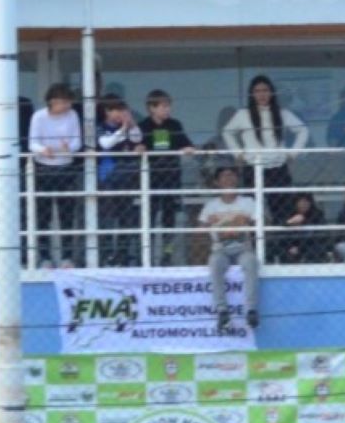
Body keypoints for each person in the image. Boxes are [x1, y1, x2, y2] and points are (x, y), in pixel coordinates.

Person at [223, 75, 308, 225]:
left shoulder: (282, 113)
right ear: (252, 94)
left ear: (271, 93)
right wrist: (238, 153)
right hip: (253, 167)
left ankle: (282, 246)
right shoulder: (243, 114)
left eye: (265, 90)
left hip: (278, 168)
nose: (262, 94)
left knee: (282, 211)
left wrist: (293, 153)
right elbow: (227, 132)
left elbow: (303, 130)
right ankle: (257, 246)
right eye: (257, 91)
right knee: (253, 211)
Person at [198, 167, 261, 330]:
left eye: (232, 176)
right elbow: (200, 228)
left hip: (243, 247)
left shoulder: (248, 202)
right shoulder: (211, 205)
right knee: (215, 264)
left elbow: (260, 221)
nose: (229, 179)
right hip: (220, 248)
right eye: (225, 176)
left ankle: (251, 310)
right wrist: (211, 224)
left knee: (251, 262)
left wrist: (244, 220)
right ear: (217, 182)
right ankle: (222, 311)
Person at [28, 83, 83, 267]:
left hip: (66, 168)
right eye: (64, 102)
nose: (67, 106)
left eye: (69, 102)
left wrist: (70, 149)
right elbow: (32, 143)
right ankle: (45, 257)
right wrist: (43, 150)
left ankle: (66, 256)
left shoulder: (73, 115)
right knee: (43, 215)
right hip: (44, 168)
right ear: (52, 101)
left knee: (66, 215)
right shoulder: (39, 116)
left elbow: (77, 141)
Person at [139, 89, 195, 266]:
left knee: (169, 220)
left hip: (171, 178)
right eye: (163, 106)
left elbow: (187, 144)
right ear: (151, 108)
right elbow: (136, 147)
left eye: (168, 105)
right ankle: (146, 256)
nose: (167, 109)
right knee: (149, 218)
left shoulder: (174, 125)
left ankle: (166, 253)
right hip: (151, 180)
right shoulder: (144, 126)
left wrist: (187, 149)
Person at [95, 95, 145, 266]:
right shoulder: (101, 127)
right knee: (108, 218)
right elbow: (106, 144)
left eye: (122, 110)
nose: (120, 114)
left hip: (127, 179)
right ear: (108, 111)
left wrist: (131, 124)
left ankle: (123, 253)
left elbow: (137, 138)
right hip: (107, 178)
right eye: (116, 110)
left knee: (126, 218)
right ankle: (107, 253)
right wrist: (122, 129)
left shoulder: (127, 127)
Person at [270, 192, 328, 264]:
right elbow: (278, 228)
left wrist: (300, 248)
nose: (304, 205)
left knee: (317, 249)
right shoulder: (287, 212)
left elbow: (319, 234)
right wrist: (290, 222)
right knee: (278, 248)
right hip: (289, 244)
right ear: (296, 203)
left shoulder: (317, 214)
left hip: (309, 245)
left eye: (307, 202)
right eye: (301, 202)